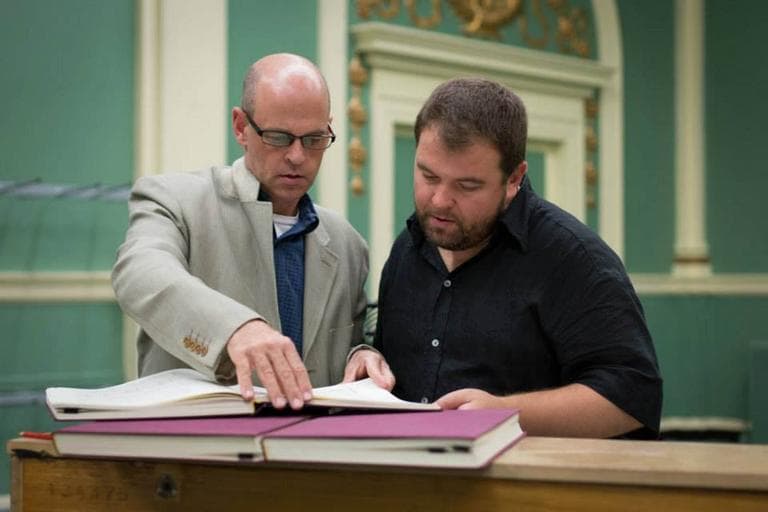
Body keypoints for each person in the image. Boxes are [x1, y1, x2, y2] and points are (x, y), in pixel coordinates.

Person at [348, 77, 662, 438]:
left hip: (531, 489)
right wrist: (368, 358)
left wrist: (505, 413)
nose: (439, 200)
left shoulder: (574, 258)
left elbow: (634, 398)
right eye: (428, 175)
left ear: (514, 179)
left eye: (467, 186)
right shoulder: (407, 249)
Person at [113, 53, 391, 411]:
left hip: (308, 455)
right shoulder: (175, 200)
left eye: (314, 139)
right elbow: (139, 273)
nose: (296, 156)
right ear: (241, 127)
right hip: (196, 455)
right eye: (278, 137)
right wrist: (234, 328)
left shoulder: (347, 242)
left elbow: (346, 343)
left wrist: (364, 355)